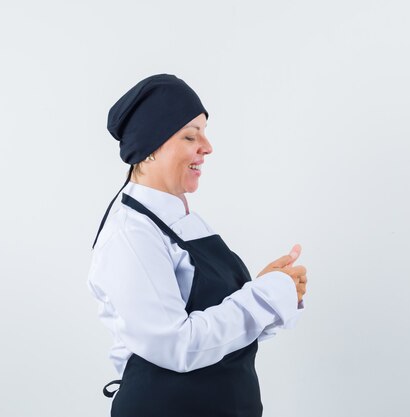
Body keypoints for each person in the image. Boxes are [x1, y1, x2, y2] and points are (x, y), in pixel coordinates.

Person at [86, 73, 308, 417]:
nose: (207, 147)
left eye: (203, 133)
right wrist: (264, 297)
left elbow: (219, 333)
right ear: (148, 150)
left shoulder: (185, 221)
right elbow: (177, 346)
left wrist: (273, 291)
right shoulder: (131, 236)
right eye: (190, 136)